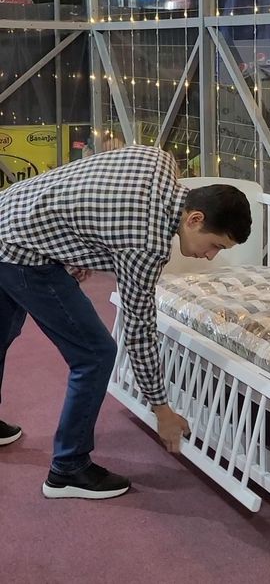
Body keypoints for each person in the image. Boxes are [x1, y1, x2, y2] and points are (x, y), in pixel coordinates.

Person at [0, 146, 251, 500]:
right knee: (96, 354)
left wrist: (75, 249)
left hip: (9, 211)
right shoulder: (146, 243)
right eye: (216, 245)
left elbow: (90, 185)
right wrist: (161, 408)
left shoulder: (160, 161)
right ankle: (68, 468)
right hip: (20, 251)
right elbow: (138, 330)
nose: (210, 256)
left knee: (2, 333)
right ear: (194, 219)